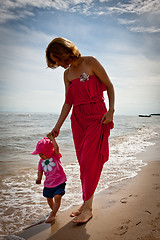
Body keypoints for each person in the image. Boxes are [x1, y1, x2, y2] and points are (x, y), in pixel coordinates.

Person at [46, 37, 115, 224]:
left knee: (89, 161)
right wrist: (57, 126)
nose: (58, 64)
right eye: (55, 62)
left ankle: (89, 209)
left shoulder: (90, 62)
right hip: (78, 120)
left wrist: (111, 110)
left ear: (66, 52)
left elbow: (109, 86)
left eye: (58, 59)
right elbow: (68, 102)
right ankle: (85, 204)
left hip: (97, 117)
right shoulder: (67, 74)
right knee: (82, 163)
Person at [32, 135, 67, 223]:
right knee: (49, 198)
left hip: (59, 181)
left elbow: (56, 147)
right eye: (39, 154)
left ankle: (53, 214)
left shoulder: (55, 156)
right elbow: (40, 171)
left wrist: (52, 139)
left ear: (47, 151)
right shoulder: (41, 161)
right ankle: (54, 210)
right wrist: (39, 178)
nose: (40, 155)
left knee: (57, 196)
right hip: (48, 184)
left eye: (42, 153)